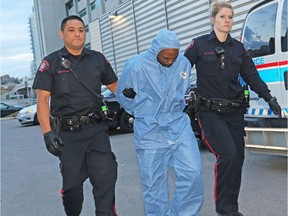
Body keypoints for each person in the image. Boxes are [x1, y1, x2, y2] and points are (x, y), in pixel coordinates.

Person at [184, 1, 282, 216]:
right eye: (222, 17)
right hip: (210, 112)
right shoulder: (199, 45)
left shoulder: (238, 48)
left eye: (230, 17)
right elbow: (179, 72)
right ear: (213, 19)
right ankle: (224, 209)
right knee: (227, 154)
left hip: (235, 112)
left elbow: (251, 76)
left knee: (237, 158)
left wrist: (269, 98)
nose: (227, 20)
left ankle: (232, 208)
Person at [32, 15, 118, 216]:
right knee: (72, 189)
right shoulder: (50, 63)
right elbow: (43, 100)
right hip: (68, 136)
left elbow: (116, 87)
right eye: (71, 30)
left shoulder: (97, 59)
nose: (77, 33)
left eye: (81, 29)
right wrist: (47, 133)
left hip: (97, 130)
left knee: (105, 177)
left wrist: (134, 97)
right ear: (62, 34)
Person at [115, 29, 204, 216]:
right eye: (166, 58)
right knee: (154, 184)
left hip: (178, 124)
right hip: (149, 129)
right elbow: (123, 97)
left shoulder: (184, 64)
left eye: (174, 57)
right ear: (155, 51)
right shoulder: (136, 66)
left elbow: (183, 89)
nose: (170, 61)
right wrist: (141, 110)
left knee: (192, 173)